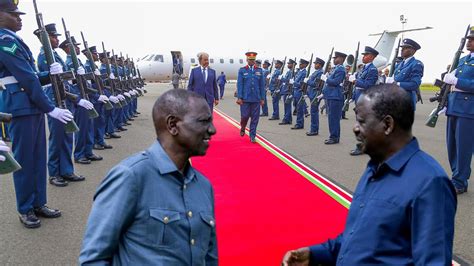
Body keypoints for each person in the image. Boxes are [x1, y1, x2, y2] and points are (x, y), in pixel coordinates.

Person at [282, 84, 457, 265]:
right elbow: (358, 239)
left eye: (362, 121)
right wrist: (314, 254)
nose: (355, 129)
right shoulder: (375, 167)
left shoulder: (430, 183)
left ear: (387, 125)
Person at [79, 89, 218, 265]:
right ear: (172, 125)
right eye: (203, 122)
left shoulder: (203, 186)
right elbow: (94, 259)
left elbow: (210, 256)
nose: (212, 130)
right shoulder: (130, 177)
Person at [0, 0, 70, 228]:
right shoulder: (4, 41)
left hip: (32, 106)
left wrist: (50, 74)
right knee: (24, 161)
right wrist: (50, 107)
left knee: (38, 159)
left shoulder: (14, 40)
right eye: (14, 14)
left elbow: (33, 76)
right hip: (20, 108)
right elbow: (26, 78)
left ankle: (39, 203)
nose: (19, 18)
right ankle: (25, 208)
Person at [35, 24, 85, 186]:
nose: (57, 39)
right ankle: (54, 173)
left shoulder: (57, 55)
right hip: (54, 96)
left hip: (65, 94)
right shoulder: (44, 56)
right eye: (53, 36)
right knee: (57, 138)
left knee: (67, 136)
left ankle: (66, 170)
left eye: (57, 36)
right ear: (45, 38)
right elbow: (49, 76)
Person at [442, 26, 474, 194]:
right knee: (452, 146)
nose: (469, 42)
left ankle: (460, 181)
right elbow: (451, 84)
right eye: (468, 39)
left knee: (464, 147)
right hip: (454, 107)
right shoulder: (463, 60)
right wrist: (445, 102)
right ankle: (457, 175)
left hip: (468, 109)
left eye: (472, 39)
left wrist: (457, 81)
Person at [348, 46, 379, 155]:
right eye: (363, 55)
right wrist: (352, 97)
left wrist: (355, 81)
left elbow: (369, 85)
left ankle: (361, 146)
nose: (363, 57)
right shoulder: (363, 68)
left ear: (372, 57)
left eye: (366, 55)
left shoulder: (372, 70)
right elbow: (357, 87)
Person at [385, 38, 424, 110]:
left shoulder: (416, 64)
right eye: (402, 48)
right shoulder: (399, 65)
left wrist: (396, 83)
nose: (402, 50)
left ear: (413, 50)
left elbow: (415, 84)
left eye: (405, 48)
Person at [236, 52, 265, 143]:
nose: (252, 61)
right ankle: (243, 127)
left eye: (253, 60)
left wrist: (262, 98)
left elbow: (262, 85)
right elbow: (240, 84)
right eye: (250, 60)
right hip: (245, 98)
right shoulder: (242, 70)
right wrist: (239, 97)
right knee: (244, 116)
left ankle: (252, 135)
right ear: (247, 60)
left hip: (256, 98)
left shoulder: (259, 71)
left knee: (255, 118)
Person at [321, 51, 346, 144]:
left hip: (335, 96)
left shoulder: (341, 69)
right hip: (331, 95)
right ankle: (334, 136)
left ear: (341, 59)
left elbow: (335, 82)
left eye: (336, 58)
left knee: (334, 118)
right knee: (332, 117)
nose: (334, 59)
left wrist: (326, 79)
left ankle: (334, 137)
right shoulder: (336, 69)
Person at [304, 57, 325, 136]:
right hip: (312, 94)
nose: (315, 65)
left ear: (320, 65)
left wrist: (308, 81)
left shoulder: (320, 73)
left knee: (314, 112)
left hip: (315, 94)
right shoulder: (316, 72)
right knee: (313, 111)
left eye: (316, 63)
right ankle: (313, 129)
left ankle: (314, 130)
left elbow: (316, 84)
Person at [291, 59, 309, 129]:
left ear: (305, 65)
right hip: (296, 91)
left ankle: (300, 124)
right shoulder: (299, 72)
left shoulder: (304, 73)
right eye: (300, 64)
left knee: (300, 109)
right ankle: (298, 123)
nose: (300, 65)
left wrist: (294, 83)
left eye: (301, 64)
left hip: (299, 91)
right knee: (297, 108)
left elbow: (301, 84)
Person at [279, 59, 296, 125]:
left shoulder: (292, 72)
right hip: (286, 90)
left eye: (289, 64)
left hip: (288, 90)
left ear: (292, 65)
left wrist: (282, 79)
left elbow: (288, 81)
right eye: (288, 63)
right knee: (286, 105)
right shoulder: (289, 72)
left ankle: (286, 119)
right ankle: (289, 119)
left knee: (287, 105)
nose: (288, 65)